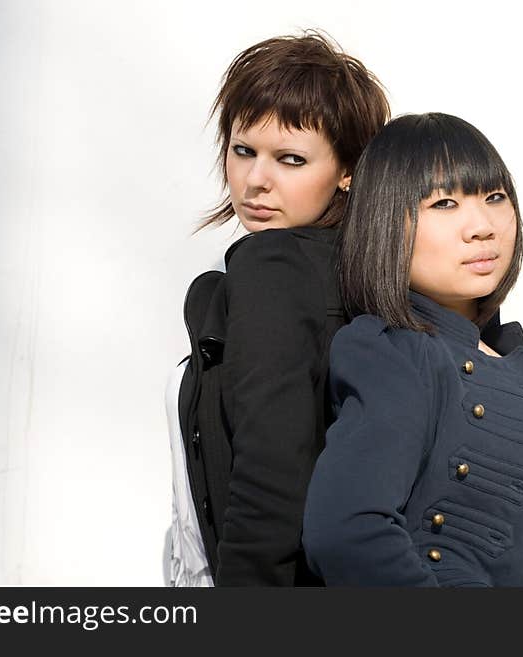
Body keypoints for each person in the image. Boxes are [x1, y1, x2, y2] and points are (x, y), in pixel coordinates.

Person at [302, 113, 523, 587]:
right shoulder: (397, 352)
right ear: (386, 223)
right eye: (444, 203)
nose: (482, 226)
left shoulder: (515, 359)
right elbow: (346, 533)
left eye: (494, 197)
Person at [166, 31, 390, 586]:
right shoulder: (362, 278)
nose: (256, 180)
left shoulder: (274, 269)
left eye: (290, 159)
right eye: (243, 150)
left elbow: (272, 477)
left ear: (347, 170)